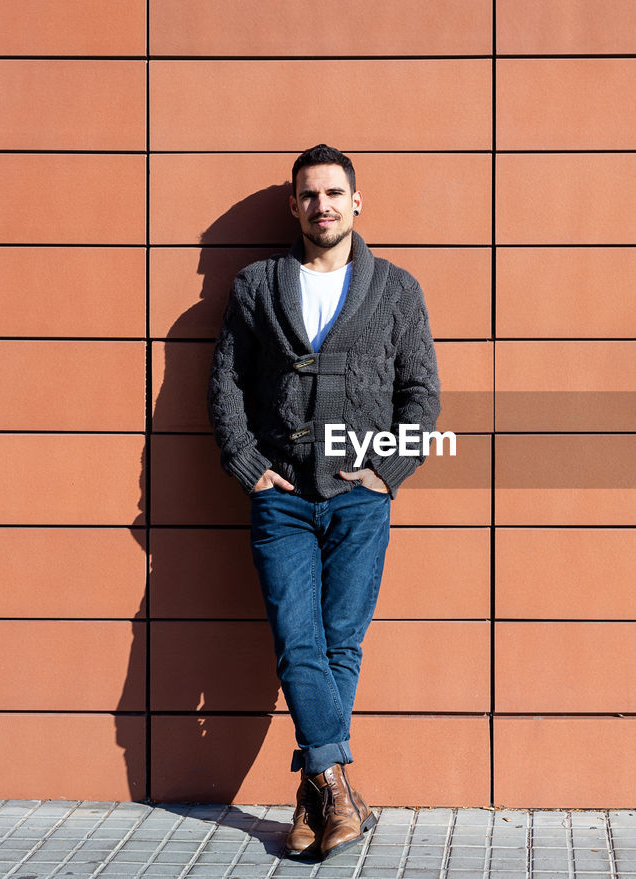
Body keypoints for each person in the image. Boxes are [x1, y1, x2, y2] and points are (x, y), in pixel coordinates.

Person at [206, 144, 441, 859]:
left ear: (356, 202)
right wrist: (247, 463)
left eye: (335, 193)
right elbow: (225, 384)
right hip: (280, 497)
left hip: (359, 501)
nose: (323, 206)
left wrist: (388, 469)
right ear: (294, 206)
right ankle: (337, 791)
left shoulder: (396, 289)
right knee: (298, 641)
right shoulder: (258, 285)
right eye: (310, 195)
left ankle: (314, 795)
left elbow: (421, 395)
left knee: (342, 641)